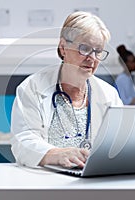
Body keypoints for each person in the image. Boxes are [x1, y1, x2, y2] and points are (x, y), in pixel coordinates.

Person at [9, 11, 123, 168]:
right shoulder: (32, 88)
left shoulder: (109, 94)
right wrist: (55, 154)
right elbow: (23, 141)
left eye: (98, 51)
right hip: (44, 182)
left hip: (93, 182)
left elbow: (121, 140)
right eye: (84, 48)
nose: (92, 58)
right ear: (63, 47)